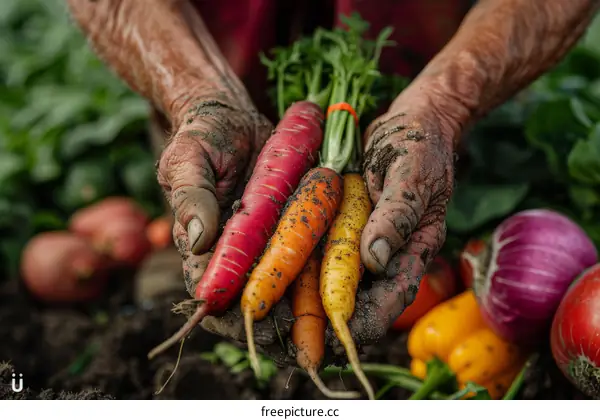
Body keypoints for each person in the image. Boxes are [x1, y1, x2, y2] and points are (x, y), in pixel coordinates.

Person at [66, 0, 599, 365]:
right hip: (223, 84)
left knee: (374, 223)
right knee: (242, 213)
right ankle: (205, 208)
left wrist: (443, 104)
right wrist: (195, 97)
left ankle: (427, 187)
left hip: (414, 101)